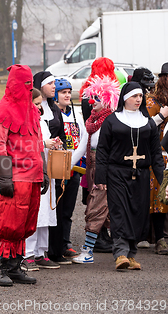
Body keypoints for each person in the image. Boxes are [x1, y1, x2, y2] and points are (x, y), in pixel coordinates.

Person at [95, 81, 164, 270]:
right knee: (120, 212)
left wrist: (163, 180)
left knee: (137, 213)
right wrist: (100, 177)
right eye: (135, 96)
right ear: (125, 98)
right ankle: (121, 254)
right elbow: (102, 150)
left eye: (140, 96)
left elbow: (156, 154)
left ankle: (131, 255)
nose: (138, 99)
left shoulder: (147, 122)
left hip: (141, 174)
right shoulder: (112, 120)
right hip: (117, 173)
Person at [0, 64, 46, 287]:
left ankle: (15, 266)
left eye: (30, 83)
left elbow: (38, 142)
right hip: (15, 177)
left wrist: (45, 172)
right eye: (25, 83)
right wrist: (4, 178)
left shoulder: (33, 110)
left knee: (25, 223)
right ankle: (0, 267)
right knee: (10, 222)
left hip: (33, 176)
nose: (28, 88)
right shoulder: (2, 111)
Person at [71, 74, 120, 264]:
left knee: (96, 209)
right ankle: (121, 251)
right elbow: (82, 147)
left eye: (97, 98)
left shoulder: (112, 121)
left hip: (106, 171)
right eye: (91, 97)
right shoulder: (91, 122)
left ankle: (89, 252)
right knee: (101, 210)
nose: (92, 101)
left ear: (107, 100)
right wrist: (66, 165)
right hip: (93, 170)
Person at [33, 71, 69, 265]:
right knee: (37, 210)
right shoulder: (33, 115)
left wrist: (58, 144)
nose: (55, 87)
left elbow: (61, 134)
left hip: (51, 163)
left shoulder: (54, 110)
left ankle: (46, 251)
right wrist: (44, 143)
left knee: (50, 208)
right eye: (50, 83)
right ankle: (32, 253)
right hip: (36, 164)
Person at [22, 88, 60, 272]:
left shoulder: (41, 121)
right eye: (35, 103)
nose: (39, 107)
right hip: (31, 172)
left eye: (40, 104)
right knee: (34, 215)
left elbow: (45, 140)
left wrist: (53, 143)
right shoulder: (22, 121)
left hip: (46, 172)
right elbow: (21, 145)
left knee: (45, 213)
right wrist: (43, 144)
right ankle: (28, 253)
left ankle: (41, 252)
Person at [54, 78, 86, 258]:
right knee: (56, 207)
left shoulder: (76, 115)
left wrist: (74, 161)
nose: (67, 95)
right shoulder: (51, 114)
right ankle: (53, 243)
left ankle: (65, 242)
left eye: (68, 92)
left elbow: (82, 139)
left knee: (68, 209)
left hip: (73, 168)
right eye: (63, 92)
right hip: (57, 168)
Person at [145, 63, 168, 255]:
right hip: (158, 154)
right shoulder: (152, 102)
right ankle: (160, 238)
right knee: (159, 196)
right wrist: (162, 116)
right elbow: (145, 127)